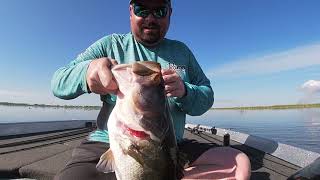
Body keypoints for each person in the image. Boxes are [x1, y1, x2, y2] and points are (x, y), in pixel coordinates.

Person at [51, 0, 251, 179]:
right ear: (130, 11)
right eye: (141, 9)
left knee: (239, 163)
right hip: (108, 142)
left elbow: (207, 96)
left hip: (172, 146)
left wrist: (185, 91)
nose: (150, 18)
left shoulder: (181, 52)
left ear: (170, 12)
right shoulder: (110, 44)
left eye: (160, 11)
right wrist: (87, 72)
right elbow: (59, 83)